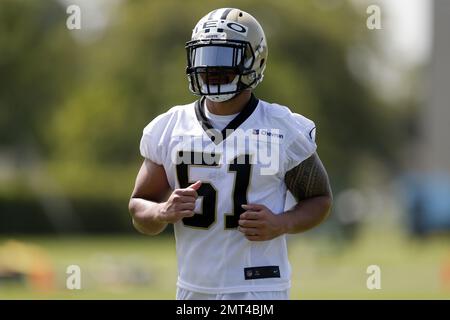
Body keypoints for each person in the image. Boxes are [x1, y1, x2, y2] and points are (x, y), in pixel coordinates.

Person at [129, 8, 332, 300]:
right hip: (193, 289)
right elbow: (139, 207)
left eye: (225, 59)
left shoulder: (283, 128)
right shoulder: (170, 128)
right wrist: (162, 212)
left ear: (254, 61)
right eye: (205, 58)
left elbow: (320, 199)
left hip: (260, 289)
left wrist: (282, 223)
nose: (212, 69)